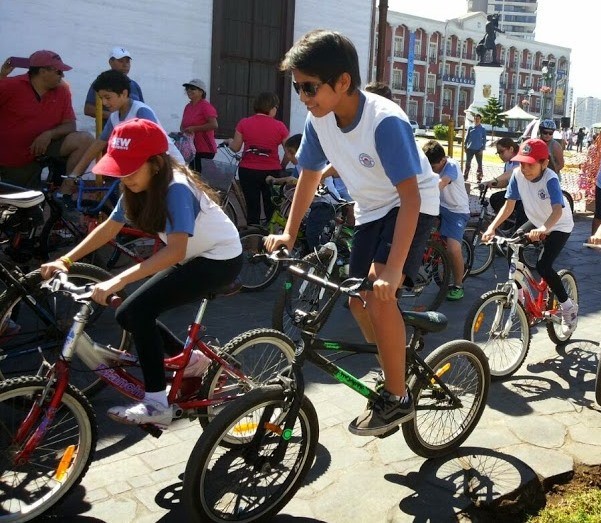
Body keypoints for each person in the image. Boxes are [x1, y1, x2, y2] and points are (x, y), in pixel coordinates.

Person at [266, 30, 440, 437]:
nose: (303, 97)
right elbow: (308, 176)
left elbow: (411, 200)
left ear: (342, 82)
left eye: (310, 87)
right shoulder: (318, 119)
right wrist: (289, 234)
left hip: (411, 204)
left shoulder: (384, 122)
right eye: (297, 88)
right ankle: (392, 362)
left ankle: (397, 398)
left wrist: (394, 270)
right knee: (358, 300)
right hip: (371, 208)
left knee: (381, 291)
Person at [41, 119, 242, 427]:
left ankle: (156, 404)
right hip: (191, 255)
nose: (126, 176)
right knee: (127, 314)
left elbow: (173, 252)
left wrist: (117, 280)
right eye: (121, 168)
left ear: (157, 163)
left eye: (132, 168)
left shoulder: (175, 188)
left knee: (140, 310)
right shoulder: (136, 184)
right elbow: (110, 227)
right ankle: (194, 362)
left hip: (219, 259)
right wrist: (65, 260)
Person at [482, 138, 577, 336]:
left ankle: (568, 307)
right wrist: (491, 228)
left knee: (543, 266)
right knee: (512, 246)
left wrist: (544, 229)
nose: (524, 168)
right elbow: (508, 207)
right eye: (521, 163)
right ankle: (522, 299)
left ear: (544, 163)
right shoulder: (518, 175)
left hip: (558, 224)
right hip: (536, 220)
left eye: (530, 164)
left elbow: (557, 211)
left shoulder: (550, 178)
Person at [0, 50, 94, 188]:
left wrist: (49, 134)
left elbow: (70, 125)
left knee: (86, 139)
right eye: (58, 71)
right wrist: (2, 75)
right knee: (19, 203)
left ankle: (65, 193)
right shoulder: (12, 85)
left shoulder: (62, 90)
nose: (62, 75)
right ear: (43, 71)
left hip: (42, 150)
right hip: (11, 157)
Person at [70, 70, 184, 177]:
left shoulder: (140, 111)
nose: (104, 102)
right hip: (143, 170)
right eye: (101, 98)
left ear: (124, 94)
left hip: (169, 168)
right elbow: (98, 145)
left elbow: (154, 146)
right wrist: (74, 174)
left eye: (108, 97)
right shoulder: (114, 117)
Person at [267, 133, 340, 249]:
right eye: (287, 152)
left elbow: (309, 180)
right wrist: (277, 180)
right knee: (302, 228)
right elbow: (294, 179)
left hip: (326, 203)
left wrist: (286, 180)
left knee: (312, 233)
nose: (289, 156)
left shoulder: (314, 163)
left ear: (302, 151)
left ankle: (319, 259)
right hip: (313, 203)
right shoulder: (299, 166)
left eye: (291, 152)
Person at [226, 92, 289, 226]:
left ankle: (253, 241)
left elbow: (236, 147)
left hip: (248, 170)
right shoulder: (280, 126)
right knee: (271, 208)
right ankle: (269, 241)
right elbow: (289, 152)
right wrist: (282, 165)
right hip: (272, 171)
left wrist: (229, 141)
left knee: (252, 207)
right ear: (271, 108)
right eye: (276, 107)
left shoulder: (244, 123)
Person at [422, 140, 470, 300]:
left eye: (434, 167)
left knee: (452, 249)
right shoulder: (429, 164)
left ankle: (458, 285)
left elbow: (442, 183)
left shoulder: (451, 165)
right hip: (439, 206)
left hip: (456, 211)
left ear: (442, 160)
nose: (431, 170)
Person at [84, 47, 144, 122]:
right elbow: (88, 109)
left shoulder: (134, 85)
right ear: (110, 62)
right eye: (121, 61)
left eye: (127, 61)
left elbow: (141, 110)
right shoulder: (102, 82)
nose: (125, 65)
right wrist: (116, 117)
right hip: (110, 130)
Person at [483, 137, 527, 228]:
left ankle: (511, 225)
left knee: (521, 213)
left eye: (501, 152)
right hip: (514, 194)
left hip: (524, 196)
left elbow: (512, 173)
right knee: (495, 198)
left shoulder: (520, 160)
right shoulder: (508, 163)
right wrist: (491, 184)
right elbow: (506, 182)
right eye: (498, 153)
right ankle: (507, 222)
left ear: (511, 149)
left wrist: (494, 180)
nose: (500, 155)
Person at [180, 79, 218, 173]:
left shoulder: (205, 106)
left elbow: (214, 124)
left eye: (192, 88)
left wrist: (194, 129)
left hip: (204, 149)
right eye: (187, 89)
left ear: (201, 91)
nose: (189, 91)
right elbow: (183, 125)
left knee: (200, 179)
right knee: (191, 176)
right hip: (190, 149)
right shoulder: (188, 107)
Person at [463, 113, 487, 182]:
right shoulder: (470, 128)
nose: (476, 120)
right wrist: (465, 145)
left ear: (480, 120)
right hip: (470, 149)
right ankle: (465, 176)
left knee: (479, 164)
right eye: (475, 119)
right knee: (468, 163)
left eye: (478, 119)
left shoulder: (482, 129)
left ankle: (479, 178)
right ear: (474, 119)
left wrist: (482, 149)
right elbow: (467, 137)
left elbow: (484, 140)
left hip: (478, 150)